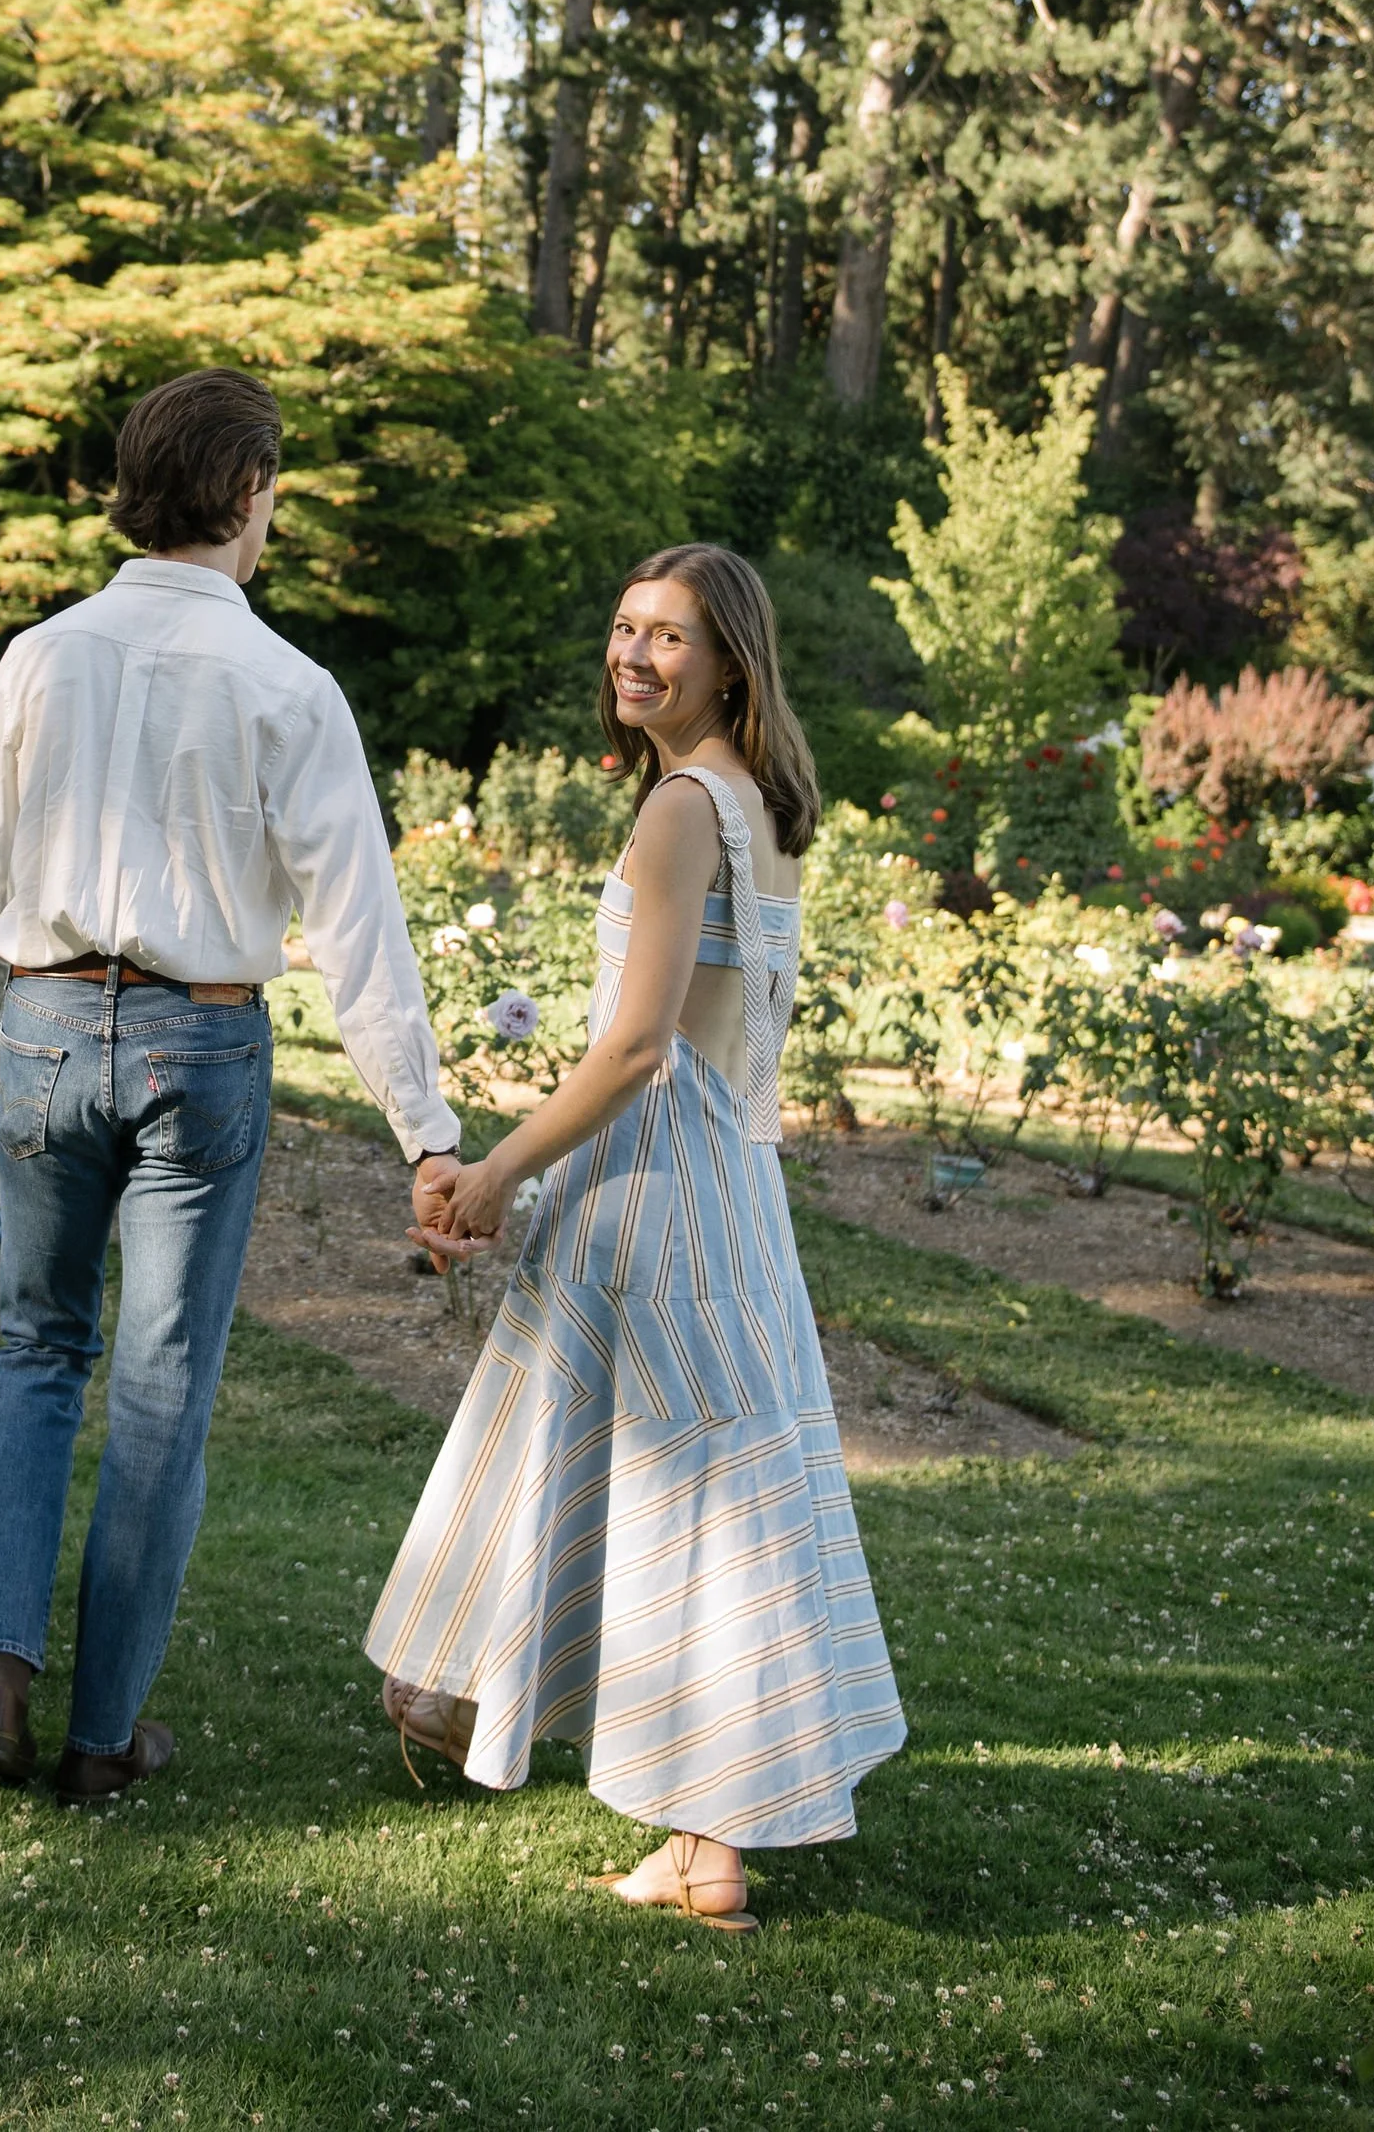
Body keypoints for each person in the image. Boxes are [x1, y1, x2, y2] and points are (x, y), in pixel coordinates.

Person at [365, 543, 905, 1926]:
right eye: (622, 626)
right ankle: (683, 1826)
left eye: (668, 635)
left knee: (671, 1491)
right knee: (704, 1488)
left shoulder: (680, 810)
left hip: (660, 1185)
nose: (634, 654)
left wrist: (492, 1173)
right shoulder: (765, 806)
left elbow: (638, 1046)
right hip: (728, 1186)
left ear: (730, 660)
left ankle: (502, 1719)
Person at [0, 367, 461, 1804]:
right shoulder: (287, 684)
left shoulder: (39, 656)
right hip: (200, 1041)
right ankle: (104, 1735)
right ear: (243, 493)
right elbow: (358, 926)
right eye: (274, 488)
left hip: (46, 1021)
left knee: (38, 1351)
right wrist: (426, 1129)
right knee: (163, 1385)